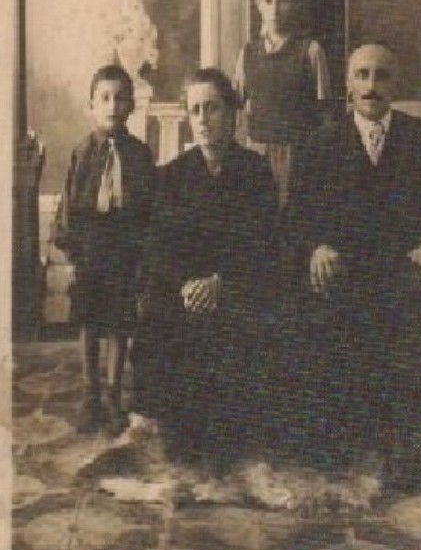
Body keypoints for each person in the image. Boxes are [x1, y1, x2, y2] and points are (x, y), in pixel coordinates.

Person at [284, 43, 421, 488]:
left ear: (395, 84)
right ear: (347, 84)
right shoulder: (320, 144)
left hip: (404, 267)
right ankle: (343, 438)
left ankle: (406, 444)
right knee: (322, 316)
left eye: (382, 75)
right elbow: (296, 216)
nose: (371, 86)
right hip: (345, 269)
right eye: (362, 75)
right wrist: (316, 248)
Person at [136, 68, 278, 473]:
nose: (202, 119)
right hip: (185, 290)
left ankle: (232, 431)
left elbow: (265, 242)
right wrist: (186, 283)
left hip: (237, 285)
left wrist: (221, 282)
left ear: (231, 114)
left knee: (248, 320)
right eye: (195, 110)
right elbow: (158, 244)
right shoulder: (172, 175)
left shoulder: (256, 171)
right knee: (162, 317)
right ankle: (181, 428)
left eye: (212, 108)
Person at [53, 65, 155, 436]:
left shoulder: (140, 154)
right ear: (92, 105)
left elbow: (149, 206)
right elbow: (70, 202)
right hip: (91, 246)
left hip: (124, 245)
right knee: (89, 320)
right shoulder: (83, 153)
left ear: (132, 105)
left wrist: (144, 251)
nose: (112, 106)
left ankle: (112, 395)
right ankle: (90, 393)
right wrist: (71, 247)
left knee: (119, 321)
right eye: (105, 98)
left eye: (120, 98)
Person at [233, 0, 332, 209]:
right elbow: (235, 108)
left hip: (299, 156)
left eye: (283, 0)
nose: (275, 10)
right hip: (257, 153)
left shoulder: (311, 52)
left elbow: (325, 117)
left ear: (295, 3)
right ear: (257, 3)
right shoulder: (248, 53)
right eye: (268, 1)